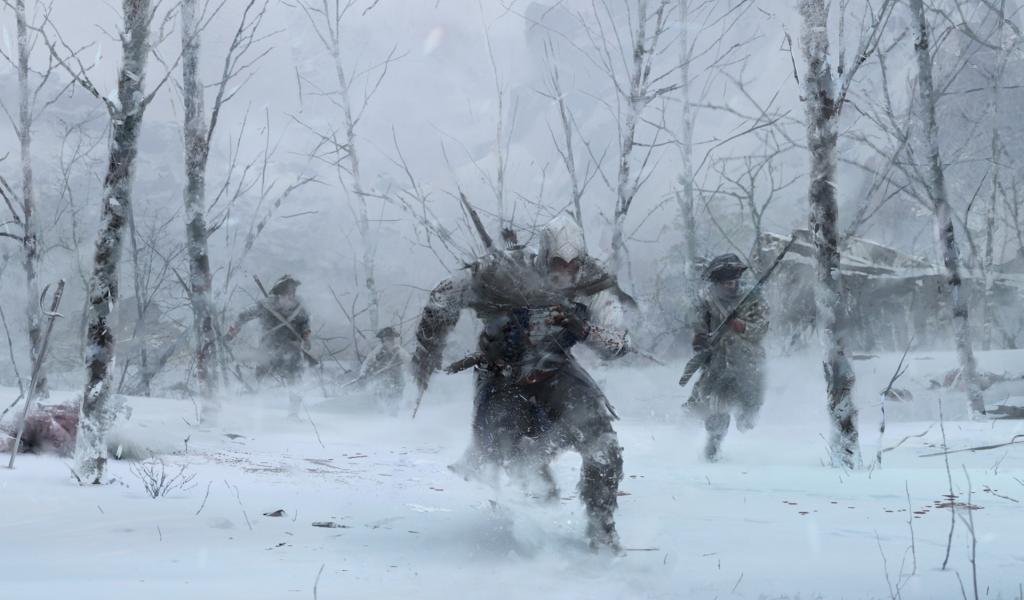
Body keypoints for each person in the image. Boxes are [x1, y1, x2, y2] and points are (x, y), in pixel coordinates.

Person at [411, 213, 632, 552]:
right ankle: (510, 522)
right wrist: (429, 348)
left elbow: (619, 343)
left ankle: (602, 526)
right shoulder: (505, 269)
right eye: (558, 264)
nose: (566, 273)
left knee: (602, 441)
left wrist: (582, 328)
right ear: (544, 257)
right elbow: (444, 294)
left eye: (573, 265)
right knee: (504, 446)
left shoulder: (592, 283)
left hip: (556, 371)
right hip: (503, 373)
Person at [686, 254, 769, 461]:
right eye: (725, 282)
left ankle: (747, 419)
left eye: (733, 281)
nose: (730, 285)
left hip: (747, 363)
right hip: (718, 364)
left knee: (748, 408)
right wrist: (699, 337)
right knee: (716, 406)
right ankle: (713, 447)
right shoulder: (707, 301)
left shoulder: (752, 299)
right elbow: (698, 323)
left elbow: (762, 327)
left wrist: (742, 327)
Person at [227, 275, 312, 419]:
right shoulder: (265, 305)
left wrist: (306, 337)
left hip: (292, 350)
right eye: (288, 290)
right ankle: (260, 414)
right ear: (280, 291)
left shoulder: (299, 307)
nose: (292, 293)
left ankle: (293, 414)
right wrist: (233, 332)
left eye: (293, 290)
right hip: (269, 348)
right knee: (263, 380)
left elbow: (305, 323)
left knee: (296, 381)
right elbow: (243, 315)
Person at [356, 326, 409, 414]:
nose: (389, 341)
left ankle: (395, 415)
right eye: (387, 338)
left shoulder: (398, 350)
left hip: (397, 381)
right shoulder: (378, 351)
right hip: (382, 381)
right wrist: (363, 373)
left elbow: (408, 360)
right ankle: (380, 415)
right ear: (383, 339)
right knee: (381, 400)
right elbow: (367, 362)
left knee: (395, 402)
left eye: (391, 338)